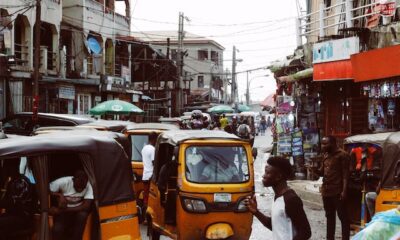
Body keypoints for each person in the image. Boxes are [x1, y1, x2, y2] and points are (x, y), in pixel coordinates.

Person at [244, 156, 311, 240]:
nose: (263, 176)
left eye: (267, 173)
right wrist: (256, 212)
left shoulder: (291, 199)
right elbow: (275, 226)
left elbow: (306, 232)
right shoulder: (277, 197)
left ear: (278, 176)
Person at [313, 136, 350, 240]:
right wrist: (314, 170)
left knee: (343, 217)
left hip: (338, 191)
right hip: (326, 191)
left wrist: (344, 191)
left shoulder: (342, 155)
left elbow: (346, 175)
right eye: (322, 144)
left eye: (325, 144)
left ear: (333, 143)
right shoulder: (325, 155)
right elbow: (321, 172)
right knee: (329, 217)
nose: (323, 146)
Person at [49, 170, 94, 240]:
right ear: (73, 180)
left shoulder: (89, 185)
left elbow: (86, 206)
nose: (80, 190)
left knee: (83, 215)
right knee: (57, 229)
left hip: (76, 209)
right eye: (78, 187)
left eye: (82, 188)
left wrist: (62, 210)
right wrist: (59, 195)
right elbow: (45, 189)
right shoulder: (62, 182)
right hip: (63, 208)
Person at [0, 167, 35, 239]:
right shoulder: (17, 180)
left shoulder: (18, 182)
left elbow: (12, 204)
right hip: (18, 215)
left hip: (23, 217)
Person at [141, 132, 157, 208]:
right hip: (151, 176)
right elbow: (154, 162)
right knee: (151, 198)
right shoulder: (153, 149)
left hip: (145, 176)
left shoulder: (144, 148)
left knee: (145, 197)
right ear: (154, 139)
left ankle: (144, 215)